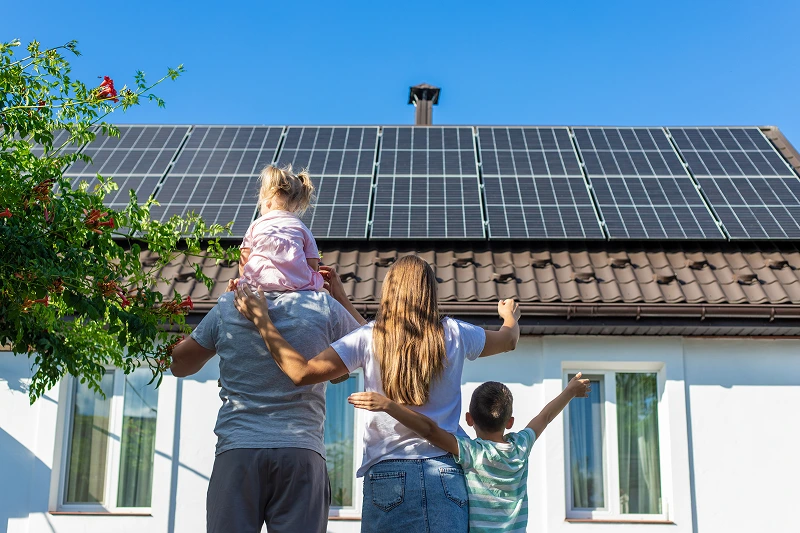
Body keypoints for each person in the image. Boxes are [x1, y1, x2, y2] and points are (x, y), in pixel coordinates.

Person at [233, 255, 522, 533]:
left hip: (387, 476)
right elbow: (508, 340)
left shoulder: (370, 337)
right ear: (430, 293)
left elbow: (302, 373)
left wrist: (262, 320)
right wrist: (509, 317)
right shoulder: (456, 333)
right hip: (445, 474)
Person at [169, 265, 366, 533]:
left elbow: (180, 365)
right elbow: (373, 351)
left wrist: (183, 347)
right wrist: (340, 298)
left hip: (239, 450)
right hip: (300, 452)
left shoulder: (228, 305)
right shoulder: (323, 306)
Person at [348, 375, 592, 533]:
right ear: (510, 422)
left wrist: (388, 405)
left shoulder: (472, 452)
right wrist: (569, 391)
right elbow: (545, 417)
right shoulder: (520, 447)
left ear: (469, 419)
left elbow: (430, 431)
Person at [239, 163, 322, 293]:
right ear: (297, 206)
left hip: (257, 287)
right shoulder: (301, 228)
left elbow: (244, 260)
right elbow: (312, 263)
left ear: (268, 201)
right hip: (295, 289)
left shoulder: (255, 225)